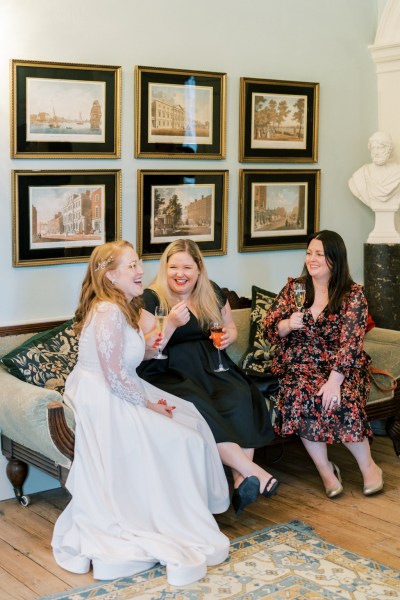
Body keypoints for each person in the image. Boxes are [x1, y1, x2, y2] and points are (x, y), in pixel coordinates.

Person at [52, 240, 230, 587]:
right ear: (110, 275)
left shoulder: (122, 306)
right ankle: (169, 519)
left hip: (118, 387)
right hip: (104, 398)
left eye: (138, 263)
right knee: (183, 439)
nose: (140, 271)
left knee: (188, 417)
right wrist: (149, 406)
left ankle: (179, 515)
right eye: (131, 265)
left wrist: (148, 351)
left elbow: (127, 360)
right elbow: (114, 376)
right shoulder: (106, 312)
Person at [137, 239, 279, 515]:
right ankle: (254, 472)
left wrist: (229, 338)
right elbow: (147, 349)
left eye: (188, 267)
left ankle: (240, 482)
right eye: (174, 267)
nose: (181, 273)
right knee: (200, 407)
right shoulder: (150, 299)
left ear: (199, 269)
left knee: (240, 395)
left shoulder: (211, 293)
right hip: (167, 371)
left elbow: (229, 328)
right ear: (164, 269)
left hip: (212, 365)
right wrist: (171, 325)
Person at [264, 230, 383, 498]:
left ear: (335, 259)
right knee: (300, 395)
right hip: (299, 364)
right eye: (309, 253)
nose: (311, 259)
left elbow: (351, 344)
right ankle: (326, 472)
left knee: (341, 400)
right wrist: (286, 324)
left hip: (341, 366)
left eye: (319, 254)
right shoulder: (295, 288)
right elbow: (269, 329)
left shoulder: (353, 295)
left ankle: (369, 468)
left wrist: (334, 382)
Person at [348, 131, 400, 243]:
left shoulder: (398, 173)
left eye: (380, 148)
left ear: (389, 149)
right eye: (373, 148)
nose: (375, 152)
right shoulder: (360, 176)